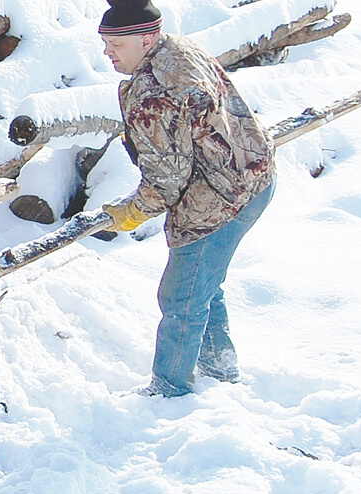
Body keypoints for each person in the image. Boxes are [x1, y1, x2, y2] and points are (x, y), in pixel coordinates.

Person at [93, 0, 277, 398]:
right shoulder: (177, 49)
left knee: (181, 297)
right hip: (254, 177)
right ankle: (219, 368)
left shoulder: (152, 95)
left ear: (145, 39)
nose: (107, 53)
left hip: (218, 201)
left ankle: (169, 391)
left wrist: (131, 212)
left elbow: (165, 181)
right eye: (105, 43)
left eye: (115, 45)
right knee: (203, 285)